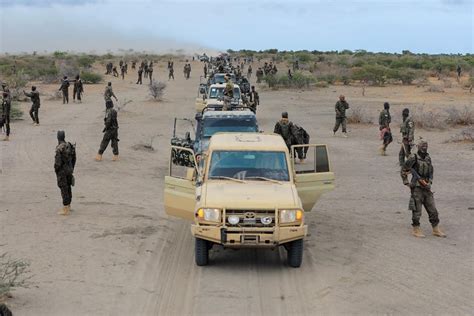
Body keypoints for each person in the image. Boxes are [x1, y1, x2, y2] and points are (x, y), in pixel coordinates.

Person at [401, 140, 446, 238]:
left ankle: (436, 229)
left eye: (426, 146)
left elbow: (431, 172)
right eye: (423, 146)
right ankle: (416, 229)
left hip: (426, 187)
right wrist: (406, 182)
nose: (424, 148)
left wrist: (429, 182)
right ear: (419, 147)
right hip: (417, 188)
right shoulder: (413, 157)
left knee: (433, 209)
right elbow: (404, 169)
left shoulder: (428, 158)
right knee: (417, 210)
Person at [54, 130, 76, 215]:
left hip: (62, 172)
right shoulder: (69, 146)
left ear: (58, 137)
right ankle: (69, 205)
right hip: (69, 170)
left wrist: (57, 171)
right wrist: (71, 168)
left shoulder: (59, 148)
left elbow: (57, 163)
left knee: (63, 188)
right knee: (68, 187)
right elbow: (74, 158)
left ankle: (65, 207)